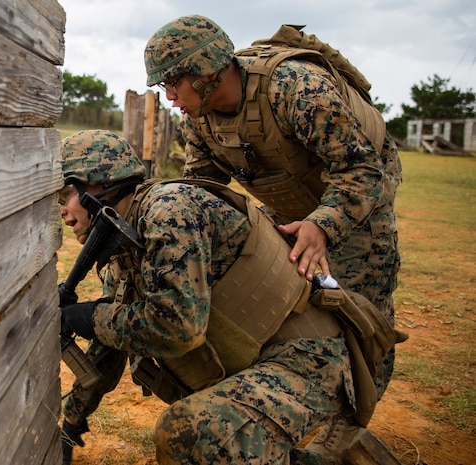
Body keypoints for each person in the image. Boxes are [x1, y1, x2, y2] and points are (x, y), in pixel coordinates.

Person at [144, 15, 402, 460]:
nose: (169, 97)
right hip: (289, 209)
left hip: (356, 205)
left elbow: (363, 170)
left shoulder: (294, 88)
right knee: (295, 308)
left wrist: (323, 224)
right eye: (161, 87)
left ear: (207, 69)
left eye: (173, 82)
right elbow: (204, 191)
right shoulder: (199, 120)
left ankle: (348, 430)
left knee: (364, 318)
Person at [57, 129, 397, 465]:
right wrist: (71, 423)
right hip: (262, 359)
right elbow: (110, 344)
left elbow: (176, 329)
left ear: (99, 184)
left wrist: (85, 317)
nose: (62, 210)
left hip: (309, 359)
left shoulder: (167, 211)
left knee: (193, 434)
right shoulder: (123, 236)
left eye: (65, 194)